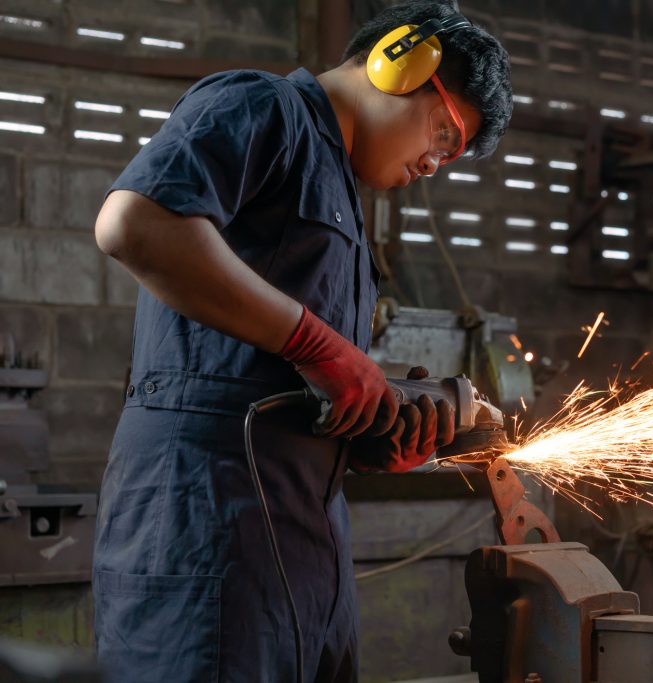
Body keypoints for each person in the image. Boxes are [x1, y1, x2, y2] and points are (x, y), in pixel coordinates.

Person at [90, 1, 512, 680]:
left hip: (304, 537)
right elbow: (133, 224)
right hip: (205, 516)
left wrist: (368, 433)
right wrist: (323, 347)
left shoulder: (341, 195)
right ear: (399, 64)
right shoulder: (265, 108)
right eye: (443, 132)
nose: (436, 163)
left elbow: (286, 376)